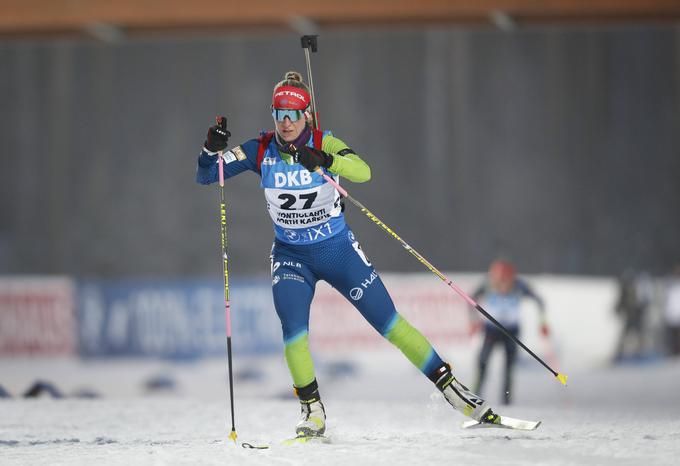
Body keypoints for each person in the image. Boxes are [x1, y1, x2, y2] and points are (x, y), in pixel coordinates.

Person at [196, 71, 500, 437]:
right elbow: (208, 175)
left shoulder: (327, 141)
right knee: (293, 331)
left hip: (337, 251)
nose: (286, 123)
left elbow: (364, 172)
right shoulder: (260, 149)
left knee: (389, 322)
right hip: (291, 256)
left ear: (307, 115)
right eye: (280, 114)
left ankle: (453, 391)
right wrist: (210, 147)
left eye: (294, 114)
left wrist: (325, 159)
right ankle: (312, 410)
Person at [470, 259, 548, 404]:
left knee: (509, 367)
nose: (503, 285)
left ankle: (506, 400)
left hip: (511, 332)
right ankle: (475, 396)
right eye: (499, 280)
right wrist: (473, 321)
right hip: (491, 330)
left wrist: (542, 322)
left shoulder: (520, 286)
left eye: (506, 280)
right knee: (483, 362)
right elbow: (470, 299)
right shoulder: (487, 285)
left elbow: (539, 301)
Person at [613, 269, 651, 361]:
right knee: (626, 334)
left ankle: (640, 352)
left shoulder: (643, 287)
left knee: (639, 333)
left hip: (638, 314)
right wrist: (618, 309)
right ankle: (620, 354)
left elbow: (645, 301)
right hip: (630, 315)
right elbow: (621, 300)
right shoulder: (625, 288)